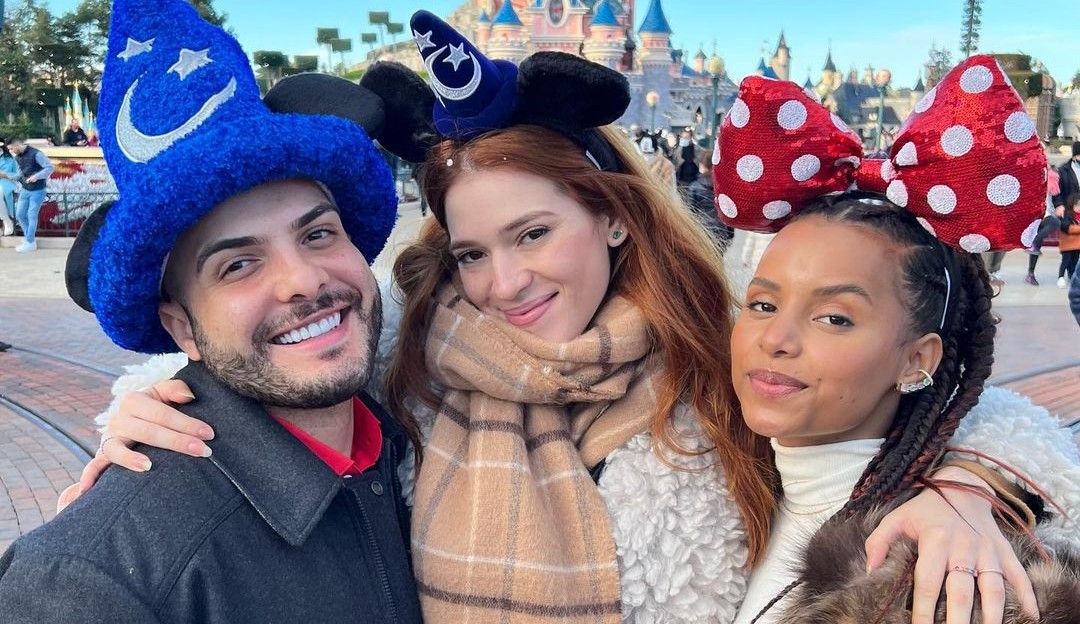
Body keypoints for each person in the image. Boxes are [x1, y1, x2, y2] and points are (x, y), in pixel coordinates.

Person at [68, 17, 1075, 624]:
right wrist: (150, 399)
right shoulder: (418, 354)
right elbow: (282, 354)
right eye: (471, 252)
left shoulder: (723, 347)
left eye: (535, 232)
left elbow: (944, 395)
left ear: (610, 215)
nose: (504, 282)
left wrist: (969, 486)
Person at [0, 1, 421, 621]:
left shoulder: (412, 438)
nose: (303, 280)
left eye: (318, 234)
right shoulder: (92, 583)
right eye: (238, 265)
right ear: (180, 327)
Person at [712, 55, 1079, 623]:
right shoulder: (711, 493)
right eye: (763, 304)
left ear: (916, 360)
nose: (776, 339)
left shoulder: (943, 583)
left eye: (835, 318)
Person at [7, 136, 53, 252]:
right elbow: (19, 175)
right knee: (20, 215)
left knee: (31, 215)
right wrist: (6, 175)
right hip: (25, 189)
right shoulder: (17, 157)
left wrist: (36, 177)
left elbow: (49, 168)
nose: (11, 151)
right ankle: (30, 240)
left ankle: (29, 242)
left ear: (17, 145)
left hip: (38, 190)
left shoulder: (36, 154)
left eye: (12, 149)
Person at [686, 146, 735, 251]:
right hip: (721, 230)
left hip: (702, 231)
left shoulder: (695, 186)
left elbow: (690, 212)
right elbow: (729, 212)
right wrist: (730, 233)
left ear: (702, 165)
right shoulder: (725, 187)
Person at [1025, 161, 1062, 285]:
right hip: (1034, 214)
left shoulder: (1052, 178)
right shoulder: (1031, 179)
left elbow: (1056, 195)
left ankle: (1030, 273)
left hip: (1047, 213)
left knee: (1039, 241)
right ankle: (1030, 273)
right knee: (1039, 242)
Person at [1056, 192, 1080, 287]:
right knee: (1066, 261)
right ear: (1072, 204)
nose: (1079, 207)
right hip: (1068, 245)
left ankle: (1072, 277)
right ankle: (1060, 277)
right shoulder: (1068, 215)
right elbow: (1067, 228)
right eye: (1077, 205)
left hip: (1077, 245)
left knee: (1074, 261)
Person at [0, 139, 19, 236]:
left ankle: (7, 221)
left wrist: (5, 174)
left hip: (6, 182)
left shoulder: (10, 158)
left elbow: (17, 174)